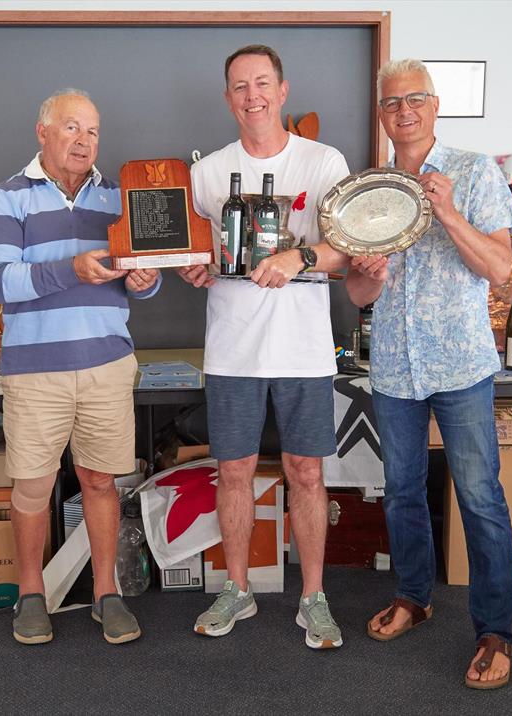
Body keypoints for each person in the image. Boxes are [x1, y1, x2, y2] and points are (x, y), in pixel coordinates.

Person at [346, 59, 512, 688]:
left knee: (479, 496)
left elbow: (500, 268)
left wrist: (447, 211)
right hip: (394, 364)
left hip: (461, 362)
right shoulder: (370, 189)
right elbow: (359, 296)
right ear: (383, 113)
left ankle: (495, 628)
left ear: (435, 104)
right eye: (392, 103)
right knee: (401, 492)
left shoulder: (474, 172)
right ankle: (414, 596)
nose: (404, 112)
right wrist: (369, 272)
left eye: (415, 99)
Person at [179, 45, 351, 649]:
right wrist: (193, 269)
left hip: (304, 349)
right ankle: (238, 589)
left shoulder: (324, 161)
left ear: (282, 90)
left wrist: (298, 255)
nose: (252, 95)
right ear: (228, 98)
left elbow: (346, 248)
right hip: (232, 351)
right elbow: (196, 253)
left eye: (261, 83)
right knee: (233, 472)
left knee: (307, 471)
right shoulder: (205, 174)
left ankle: (314, 598)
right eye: (239, 87)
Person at [0, 88, 161, 645]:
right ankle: (30, 594)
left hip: (106, 364)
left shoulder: (119, 198)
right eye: (72, 128)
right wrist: (70, 270)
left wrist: (145, 281)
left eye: (93, 131)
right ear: (43, 132)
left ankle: (106, 593)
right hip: (35, 372)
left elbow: (142, 276)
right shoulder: (7, 197)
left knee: (101, 484)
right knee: (33, 489)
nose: (84, 140)